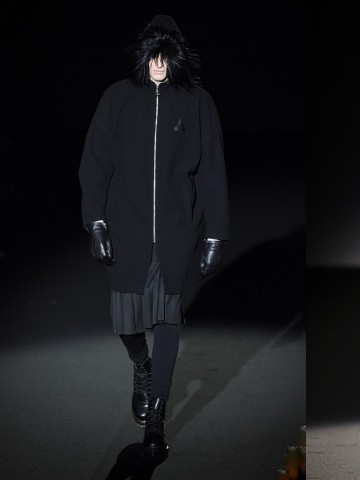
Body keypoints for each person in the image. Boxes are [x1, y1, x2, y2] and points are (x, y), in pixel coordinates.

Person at [78, 14, 230, 457]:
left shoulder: (197, 102)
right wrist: (96, 222)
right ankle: (141, 365)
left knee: (167, 319)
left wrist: (216, 234)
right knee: (127, 324)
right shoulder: (117, 97)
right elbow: (95, 163)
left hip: (177, 230)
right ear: (142, 56)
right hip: (126, 227)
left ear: (177, 57)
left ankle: (158, 415)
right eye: (153, 56)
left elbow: (213, 170)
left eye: (166, 57)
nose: (159, 65)